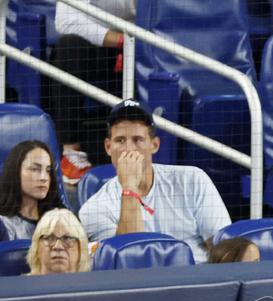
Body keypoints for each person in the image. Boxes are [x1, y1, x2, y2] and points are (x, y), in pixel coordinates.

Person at [79, 100, 232, 264]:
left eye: (138, 139)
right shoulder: (93, 210)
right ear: (108, 147)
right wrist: (130, 188)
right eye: (120, 141)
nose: (129, 149)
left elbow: (224, 250)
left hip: (196, 281)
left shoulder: (193, 180)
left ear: (154, 145)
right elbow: (129, 263)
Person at [51, 0, 137, 180]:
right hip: (97, 43)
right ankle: (70, 152)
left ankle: (141, 148)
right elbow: (66, 21)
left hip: (140, 43)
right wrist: (122, 40)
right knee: (70, 46)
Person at [0, 140, 63, 241]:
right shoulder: (0, 224)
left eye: (48, 170)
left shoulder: (60, 217)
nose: (44, 178)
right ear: (15, 172)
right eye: (35, 169)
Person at [27, 208, 92, 275]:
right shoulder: (22, 285)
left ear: (81, 248)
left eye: (67, 238)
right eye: (49, 238)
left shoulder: (95, 285)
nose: (58, 246)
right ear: (36, 248)